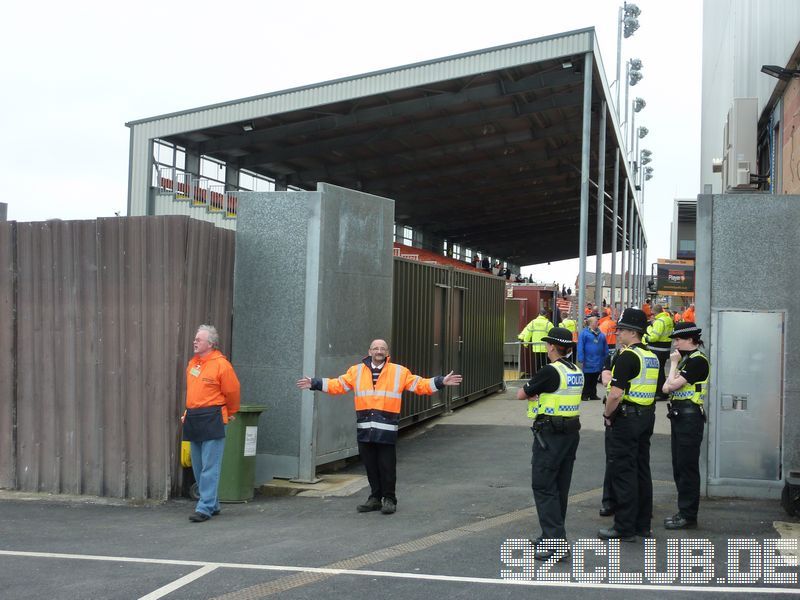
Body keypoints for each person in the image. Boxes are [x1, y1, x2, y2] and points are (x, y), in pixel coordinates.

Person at [297, 339, 462, 515]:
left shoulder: (399, 372)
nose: (379, 351)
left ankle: (389, 499)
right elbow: (337, 385)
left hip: (386, 429)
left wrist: (441, 381)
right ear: (369, 351)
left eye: (382, 348)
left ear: (387, 352)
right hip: (365, 429)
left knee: (387, 466)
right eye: (375, 348)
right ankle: (375, 498)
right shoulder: (356, 371)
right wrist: (314, 383)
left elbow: (420, 385)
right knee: (370, 466)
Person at [516, 327, 583, 561]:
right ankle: (551, 536)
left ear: (553, 347)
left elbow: (522, 394)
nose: (546, 348)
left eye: (547, 345)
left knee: (544, 486)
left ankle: (555, 543)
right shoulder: (576, 371)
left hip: (550, 436)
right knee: (559, 487)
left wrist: (535, 394)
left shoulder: (550, 371)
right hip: (570, 433)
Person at [598, 309, 659, 541]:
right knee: (642, 471)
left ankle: (624, 527)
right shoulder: (650, 356)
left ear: (633, 332)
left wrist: (607, 414)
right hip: (646, 416)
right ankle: (643, 526)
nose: (618, 332)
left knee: (623, 472)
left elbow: (615, 394)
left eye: (621, 329)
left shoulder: (627, 356)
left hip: (627, 418)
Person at [182, 325, 241, 523]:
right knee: (198, 465)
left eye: (199, 339)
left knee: (209, 466)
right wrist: (187, 412)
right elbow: (193, 392)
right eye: (195, 338)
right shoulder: (193, 363)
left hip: (213, 417)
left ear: (211, 343)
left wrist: (230, 412)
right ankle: (212, 503)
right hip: (194, 416)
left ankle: (205, 507)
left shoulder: (221, 365)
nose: (195, 341)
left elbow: (232, 392)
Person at [661, 322, 709, 530]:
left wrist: (673, 366)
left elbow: (672, 385)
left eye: (678, 339)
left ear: (690, 340)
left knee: (687, 467)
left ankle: (688, 515)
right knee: (679, 466)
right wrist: (674, 371)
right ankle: (683, 512)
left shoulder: (697, 361)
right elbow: (665, 387)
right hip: (680, 416)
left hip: (690, 417)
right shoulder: (686, 360)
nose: (675, 343)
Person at [598, 339, 628, 518]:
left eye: (622, 331)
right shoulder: (614, 355)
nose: (618, 335)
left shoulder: (636, 356)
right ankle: (609, 502)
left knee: (619, 461)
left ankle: (616, 504)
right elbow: (605, 377)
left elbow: (612, 386)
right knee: (615, 461)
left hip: (622, 413)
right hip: (622, 412)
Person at [643, 304, 674, 401]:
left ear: (655, 312)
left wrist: (645, 336)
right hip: (665, 349)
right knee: (661, 371)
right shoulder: (668, 319)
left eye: (652, 313)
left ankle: (660, 393)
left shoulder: (659, 321)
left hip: (657, 350)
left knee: (658, 372)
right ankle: (663, 392)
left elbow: (654, 337)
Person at [577, 316, 607, 400]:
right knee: (587, 378)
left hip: (598, 360)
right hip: (588, 359)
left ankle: (593, 394)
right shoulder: (584, 333)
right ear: (590, 323)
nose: (597, 322)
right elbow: (580, 346)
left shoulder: (601, 334)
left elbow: (605, 346)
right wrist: (581, 357)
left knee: (594, 378)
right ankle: (585, 394)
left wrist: (606, 356)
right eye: (596, 321)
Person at [518, 309, 554, 375]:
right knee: (545, 363)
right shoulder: (548, 324)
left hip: (536, 347)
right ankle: (545, 376)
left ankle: (538, 376)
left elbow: (528, 332)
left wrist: (525, 343)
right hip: (545, 347)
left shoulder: (533, 322)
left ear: (539, 314)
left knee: (537, 364)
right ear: (545, 315)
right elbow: (553, 334)